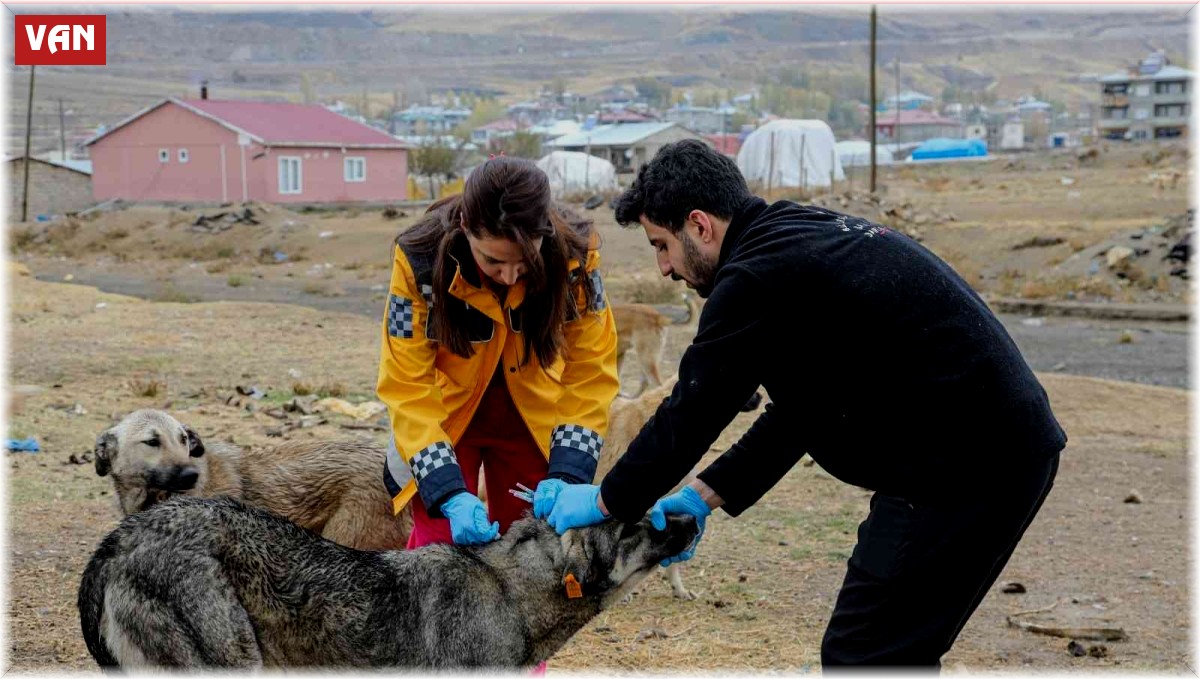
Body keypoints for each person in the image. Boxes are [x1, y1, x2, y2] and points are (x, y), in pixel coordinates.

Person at [534, 139, 1067, 669]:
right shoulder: (791, 240)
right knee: (889, 649)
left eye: (661, 245)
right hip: (988, 452)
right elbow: (808, 408)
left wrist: (607, 501)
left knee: (865, 653)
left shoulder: (755, 278)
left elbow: (692, 412)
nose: (664, 269)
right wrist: (701, 498)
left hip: (966, 467)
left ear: (699, 225)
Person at [377, 155, 619, 550]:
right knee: (437, 551)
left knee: (533, 547)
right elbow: (406, 384)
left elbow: (592, 368)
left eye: (525, 263)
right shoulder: (417, 261)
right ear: (464, 228)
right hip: (445, 419)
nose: (508, 277)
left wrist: (569, 473)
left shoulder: (576, 257)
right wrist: (445, 491)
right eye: (491, 260)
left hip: (533, 417)